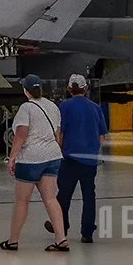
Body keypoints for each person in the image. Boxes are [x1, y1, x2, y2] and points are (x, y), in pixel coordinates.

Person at [1, 75, 68, 252]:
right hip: (52, 156)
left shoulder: (26, 108)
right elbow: (58, 133)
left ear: (25, 90)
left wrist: (12, 157)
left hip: (31, 158)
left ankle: (13, 241)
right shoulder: (52, 106)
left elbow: (21, 134)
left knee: (22, 201)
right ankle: (61, 239)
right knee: (51, 198)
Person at [46, 74, 108, 244]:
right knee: (89, 196)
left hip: (70, 159)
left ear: (69, 89)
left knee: (64, 195)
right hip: (89, 160)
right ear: (85, 88)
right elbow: (102, 136)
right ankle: (87, 232)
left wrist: (58, 150)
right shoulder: (96, 108)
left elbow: (61, 133)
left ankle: (61, 227)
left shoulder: (64, 107)